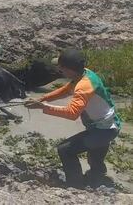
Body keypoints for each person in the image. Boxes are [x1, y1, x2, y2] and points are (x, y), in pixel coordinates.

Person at [26, 48, 121, 189]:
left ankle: (75, 186)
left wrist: (43, 106)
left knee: (65, 150)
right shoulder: (84, 74)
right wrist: (43, 98)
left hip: (103, 130)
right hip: (108, 125)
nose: (59, 70)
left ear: (69, 69)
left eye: (61, 68)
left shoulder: (84, 86)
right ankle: (98, 179)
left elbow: (72, 113)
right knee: (95, 158)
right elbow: (66, 90)